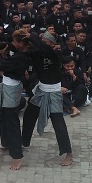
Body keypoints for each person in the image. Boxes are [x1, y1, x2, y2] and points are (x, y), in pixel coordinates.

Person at [21, 31, 73, 167]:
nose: (42, 44)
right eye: (41, 41)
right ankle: (24, 142)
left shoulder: (55, 54)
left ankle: (68, 153)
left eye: (45, 41)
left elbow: (44, 49)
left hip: (54, 91)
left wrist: (32, 35)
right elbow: (25, 51)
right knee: (29, 116)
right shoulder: (37, 52)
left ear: (51, 44)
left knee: (58, 122)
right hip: (41, 90)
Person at [0, 30, 30, 170]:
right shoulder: (18, 54)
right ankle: (6, 142)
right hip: (8, 86)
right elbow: (7, 56)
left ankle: (17, 155)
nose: (12, 44)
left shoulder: (21, 57)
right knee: (4, 117)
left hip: (11, 89)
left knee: (11, 121)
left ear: (20, 43)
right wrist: (2, 51)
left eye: (15, 42)